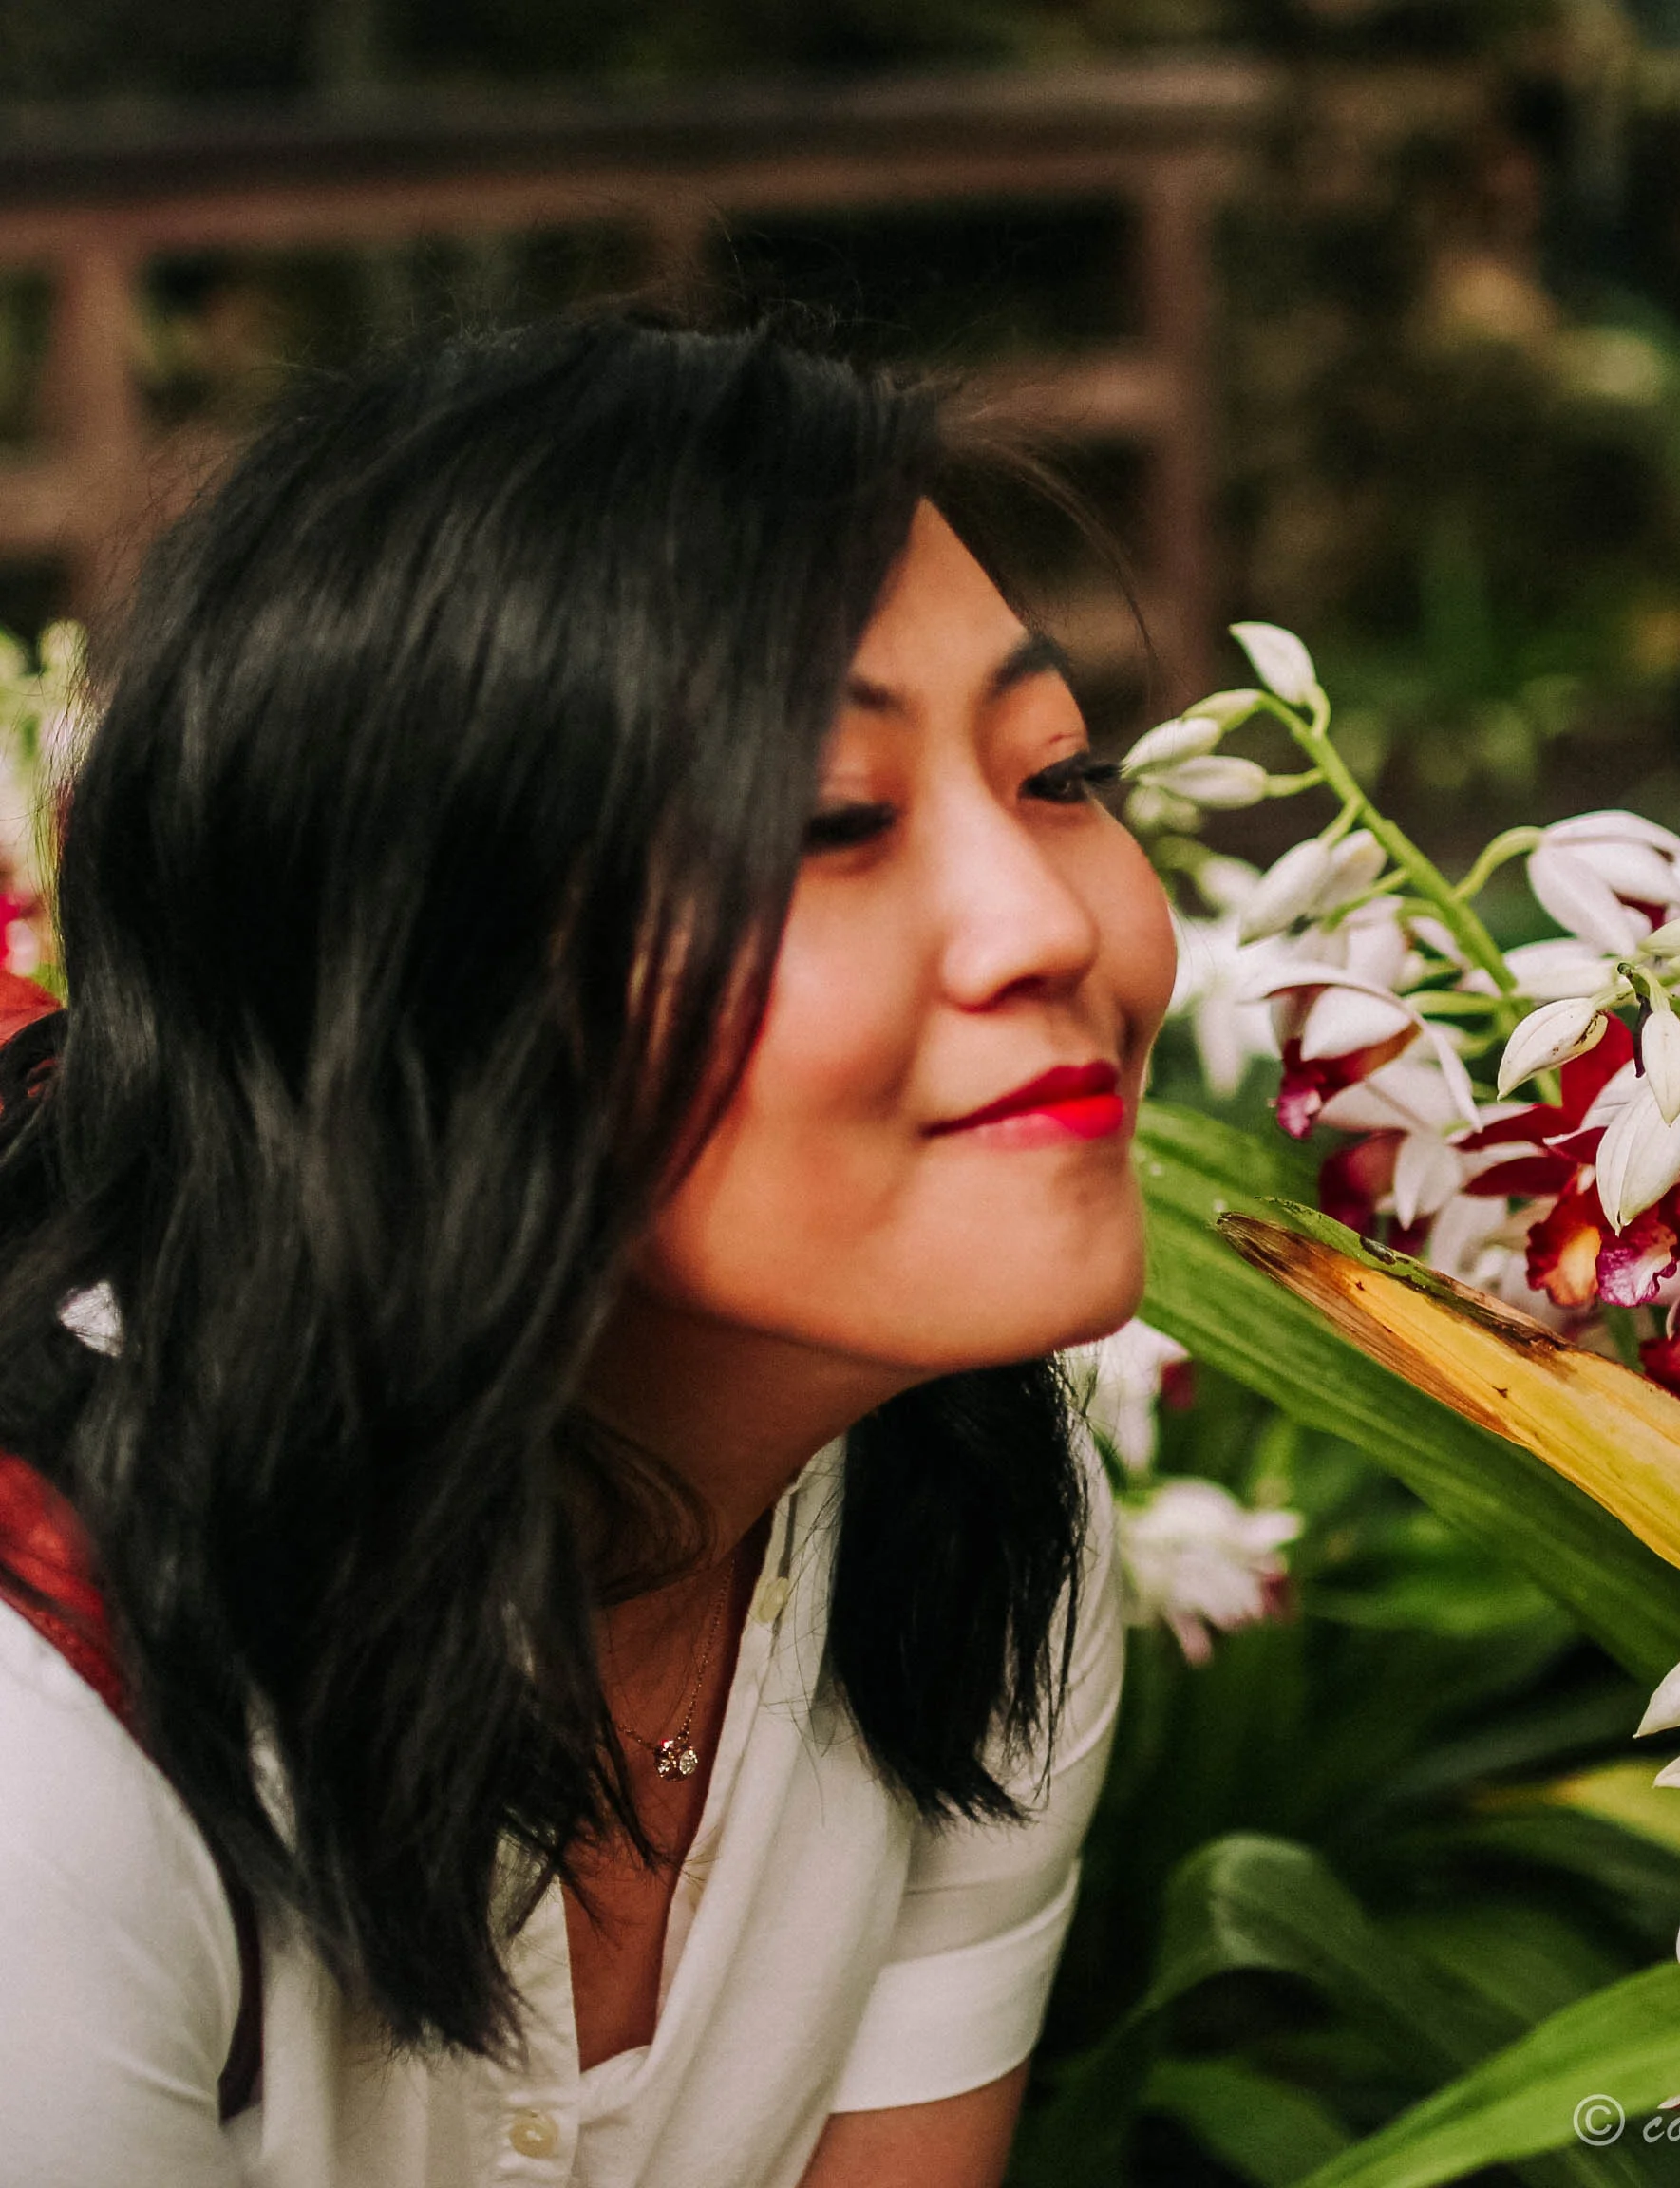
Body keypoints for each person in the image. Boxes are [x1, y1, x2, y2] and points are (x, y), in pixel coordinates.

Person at [0, 317, 1178, 2188]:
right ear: (400, 983)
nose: (1049, 923)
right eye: (831, 820)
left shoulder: (964, 1534)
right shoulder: (50, 1751)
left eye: (1058, 775)